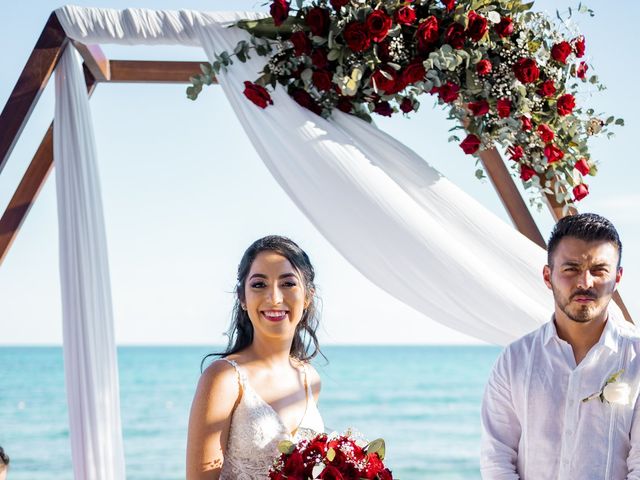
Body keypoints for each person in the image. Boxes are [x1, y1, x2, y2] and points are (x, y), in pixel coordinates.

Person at [480, 213, 640, 479]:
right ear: (547, 276)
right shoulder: (514, 360)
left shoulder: (637, 360)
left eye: (599, 271)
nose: (585, 283)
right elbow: (497, 458)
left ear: (618, 278)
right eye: (571, 269)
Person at [186, 235, 325, 480]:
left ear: (307, 297)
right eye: (259, 284)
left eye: (288, 283)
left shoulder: (310, 379)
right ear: (242, 298)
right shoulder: (224, 378)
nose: (274, 298)